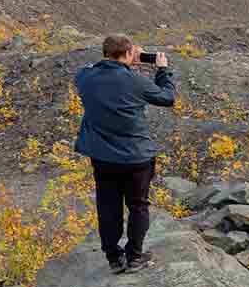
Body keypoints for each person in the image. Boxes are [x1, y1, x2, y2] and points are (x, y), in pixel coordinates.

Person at [74, 35, 176, 273]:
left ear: (105, 53)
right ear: (129, 53)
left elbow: (88, 68)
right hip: (135, 156)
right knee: (138, 205)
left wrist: (125, 60)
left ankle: (114, 258)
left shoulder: (85, 77)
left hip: (102, 156)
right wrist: (162, 70)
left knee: (108, 206)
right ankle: (134, 257)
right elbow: (167, 97)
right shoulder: (135, 81)